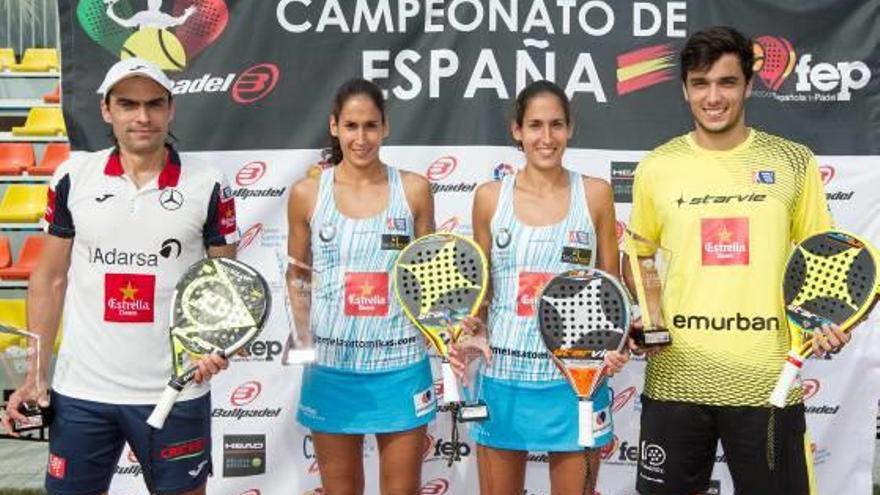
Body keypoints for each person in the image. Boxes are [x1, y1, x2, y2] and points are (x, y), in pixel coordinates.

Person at [627, 26, 850, 495]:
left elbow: (821, 258)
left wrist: (827, 322)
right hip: (675, 379)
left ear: (749, 84)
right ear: (685, 89)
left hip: (768, 380)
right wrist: (649, 319)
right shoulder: (657, 166)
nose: (713, 97)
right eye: (701, 83)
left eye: (726, 82)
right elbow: (639, 254)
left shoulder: (793, 161)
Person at [1, 57, 237, 495]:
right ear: (107, 110)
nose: (142, 117)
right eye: (128, 104)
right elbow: (50, 278)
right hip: (82, 391)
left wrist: (216, 346)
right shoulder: (73, 176)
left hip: (175, 391)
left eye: (154, 104)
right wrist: (36, 374)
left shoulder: (208, 182)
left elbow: (224, 282)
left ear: (171, 109)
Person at [451, 80, 629, 495]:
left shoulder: (597, 195)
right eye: (535, 126)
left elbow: (612, 288)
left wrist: (617, 346)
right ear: (517, 130)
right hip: (503, 378)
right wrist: (468, 330)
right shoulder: (489, 198)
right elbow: (483, 291)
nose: (546, 138)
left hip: (577, 381)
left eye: (556, 125)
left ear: (570, 128)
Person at [287, 78, 436, 495]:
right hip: (332, 368)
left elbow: (432, 272)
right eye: (351, 126)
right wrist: (301, 335)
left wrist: (447, 332)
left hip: (401, 365)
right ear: (334, 126)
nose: (361, 138)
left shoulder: (414, 189)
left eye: (370, 126)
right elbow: (299, 273)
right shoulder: (306, 193)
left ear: (386, 126)